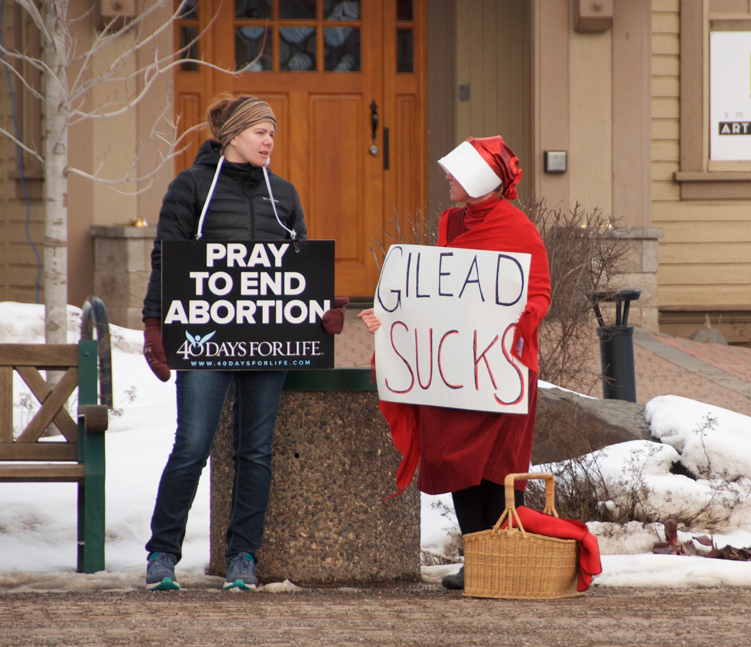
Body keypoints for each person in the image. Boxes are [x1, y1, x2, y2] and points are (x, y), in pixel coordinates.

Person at [140, 94, 348, 591]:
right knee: (192, 445)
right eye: (260, 131)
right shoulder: (188, 188)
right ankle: (162, 554)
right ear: (232, 134)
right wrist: (154, 326)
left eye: (272, 132)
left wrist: (323, 309)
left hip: (268, 341)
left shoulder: (284, 195)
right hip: (204, 338)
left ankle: (242, 557)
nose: (269, 140)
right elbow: (166, 260)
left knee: (255, 450)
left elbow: (296, 270)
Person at [359, 136, 550, 590]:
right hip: (454, 370)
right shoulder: (452, 221)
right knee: (458, 463)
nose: (447, 178)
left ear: (481, 179)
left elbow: (538, 292)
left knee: (500, 467)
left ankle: (505, 557)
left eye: (456, 172)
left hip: (500, 367)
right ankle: (477, 557)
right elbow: (438, 290)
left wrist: (513, 324)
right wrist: (392, 315)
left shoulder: (519, 228)